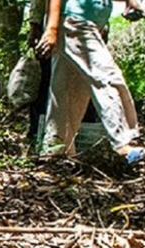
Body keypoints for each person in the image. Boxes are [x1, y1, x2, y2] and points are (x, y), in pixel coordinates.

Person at [36, 0, 145, 162]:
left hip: (84, 23)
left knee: (69, 89)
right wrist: (52, 28)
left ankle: (55, 151)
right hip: (74, 22)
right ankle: (124, 142)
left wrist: (130, 3)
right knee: (107, 77)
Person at [26, 0, 99, 148]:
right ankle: (43, 139)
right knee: (47, 86)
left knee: (84, 85)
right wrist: (37, 27)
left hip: (88, 24)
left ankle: (82, 141)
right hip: (54, 28)